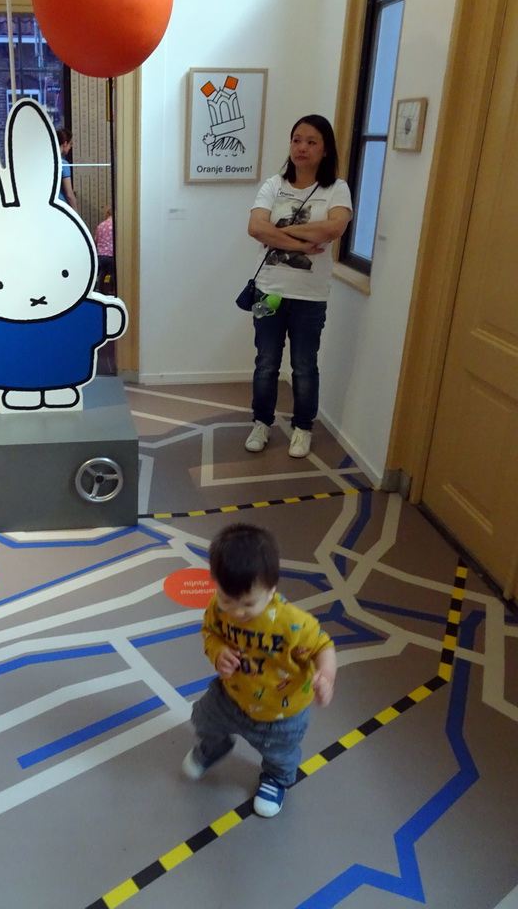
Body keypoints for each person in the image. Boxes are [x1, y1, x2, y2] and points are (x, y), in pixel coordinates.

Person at [182, 523, 336, 817]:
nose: (237, 612)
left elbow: (323, 647)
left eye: (248, 604)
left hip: (280, 712)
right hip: (230, 696)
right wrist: (218, 653)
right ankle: (214, 747)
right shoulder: (218, 607)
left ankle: (276, 779)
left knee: (279, 754)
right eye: (228, 599)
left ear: (271, 588)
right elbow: (210, 633)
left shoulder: (293, 623)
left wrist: (326, 675)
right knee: (202, 719)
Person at [244, 114, 352, 458]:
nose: (302, 147)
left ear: (325, 150)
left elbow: (334, 229)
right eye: (296, 140)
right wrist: (304, 243)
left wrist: (284, 231)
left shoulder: (336, 189)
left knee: (305, 365)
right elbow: (255, 228)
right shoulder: (273, 185)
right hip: (269, 290)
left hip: (310, 296)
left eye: (311, 141)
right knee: (266, 362)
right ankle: (261, 423)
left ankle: (302, 428)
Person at [56, 127, 79, 212]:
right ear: (65, 143)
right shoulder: (63, 164)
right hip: (62, 206)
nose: (71, 147)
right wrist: (75, 211)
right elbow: (69, 193)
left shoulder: (47, 162)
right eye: (70, 144)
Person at [94, 205, 114, 292]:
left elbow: (96, 240)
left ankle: (98, 288)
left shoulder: (100, 225)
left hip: (101, 254)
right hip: (111, 253)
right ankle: (111, 290)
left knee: (102, 272)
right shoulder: (116, 226)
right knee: (113, 273)